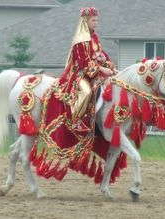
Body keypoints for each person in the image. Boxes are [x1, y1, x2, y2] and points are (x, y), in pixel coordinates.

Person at [40, 7, 117, 151]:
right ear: (85, 21)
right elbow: (83, 63)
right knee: (87, 91)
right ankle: (76, 120)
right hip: (78, 73)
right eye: (93, 20)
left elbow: (101, 54)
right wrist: (101, 69)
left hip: (93, 73)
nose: (96, 23)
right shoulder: (80, 39)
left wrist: (112, 68)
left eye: (97, 20)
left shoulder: (94, 37)